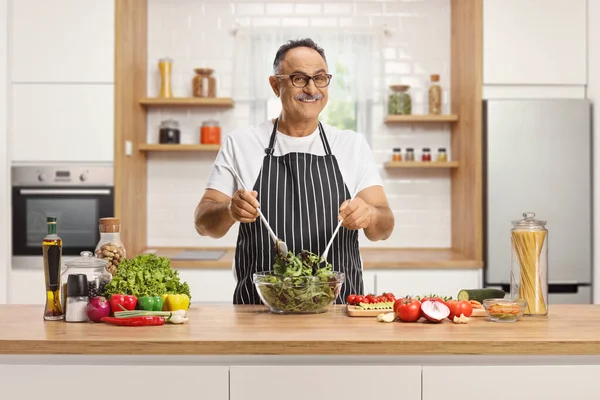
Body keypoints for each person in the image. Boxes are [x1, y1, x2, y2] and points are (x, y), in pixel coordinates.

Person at [194, 38, 394, 305]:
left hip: (338, 314)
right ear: (276, 84)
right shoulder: (241, 144)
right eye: (299, 78)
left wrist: (368, 215)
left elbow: (384, 227)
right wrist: (230, 209)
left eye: (320, 78)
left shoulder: (352, 146)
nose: (311, 88)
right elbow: (204, 224)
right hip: (258, 313)